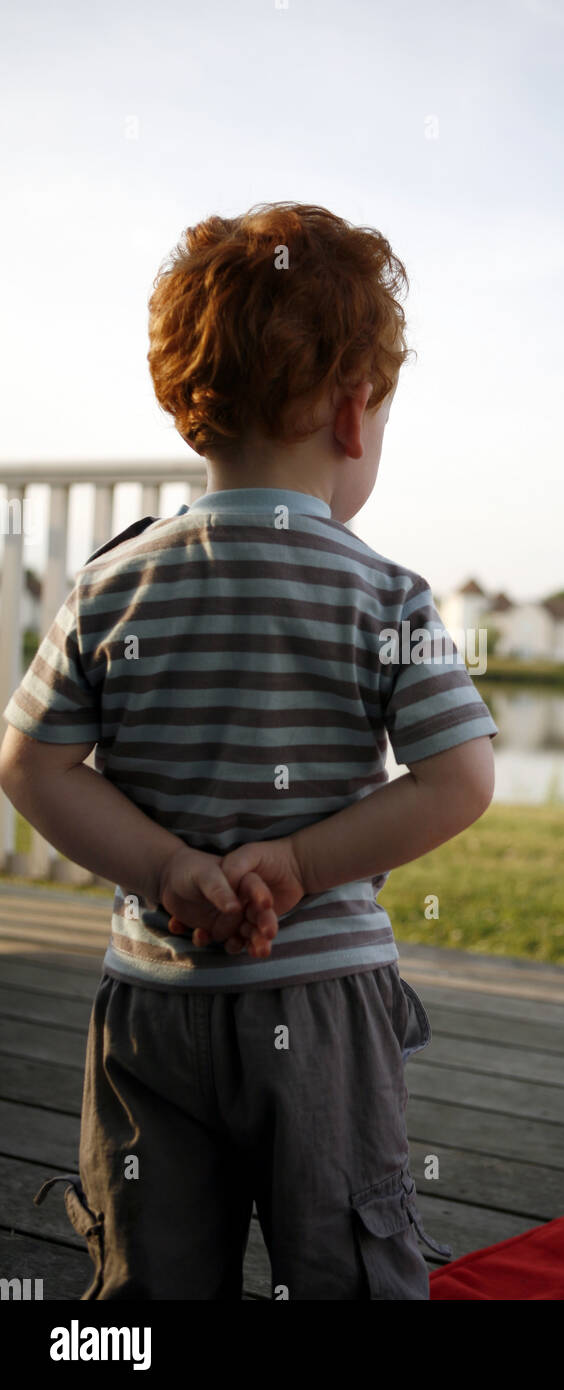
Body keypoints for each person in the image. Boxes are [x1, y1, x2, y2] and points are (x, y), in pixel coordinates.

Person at [0, 202, 498, 1300]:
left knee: (151, 1265)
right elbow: (459, 779)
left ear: (192, 412)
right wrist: (300, 866)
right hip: (319, 1002)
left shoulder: (111, 584)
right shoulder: (384, 593)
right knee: (348, 1262)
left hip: (154, 1000)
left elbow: (31, 765)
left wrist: (170, 872)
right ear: (354, 413)